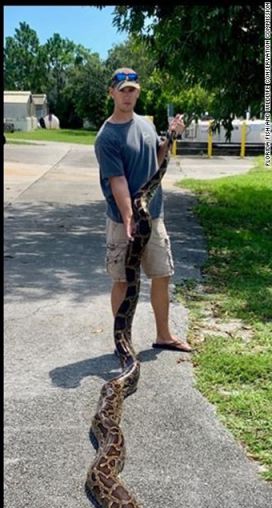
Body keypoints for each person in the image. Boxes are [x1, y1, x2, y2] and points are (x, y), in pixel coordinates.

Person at [93, 67, 190, 353]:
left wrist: (171, 137)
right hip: (123, 221)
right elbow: (117, 181)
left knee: (161, 274)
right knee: (123, 280)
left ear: (138, 92)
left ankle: (164, 335)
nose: (127, 95)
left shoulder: (146, 125)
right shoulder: (107, 137)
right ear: (112, 92)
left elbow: (157, 159)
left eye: (132, 90)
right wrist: (128, 217)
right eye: (122, 90)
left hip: (153, 215)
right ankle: (123, 341)